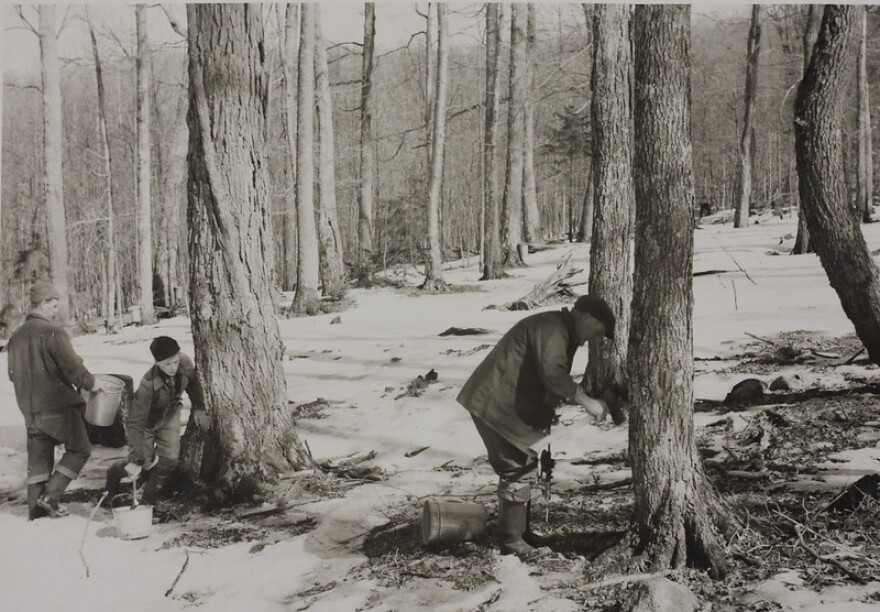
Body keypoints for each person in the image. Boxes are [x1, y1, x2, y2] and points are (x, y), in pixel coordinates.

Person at [457, 294, 624, 557]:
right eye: (598, 331)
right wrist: (586, 402)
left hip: (504, 405)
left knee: (523, 464)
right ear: (586, 317)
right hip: (495, 404)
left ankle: (519, 534)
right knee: (516, 468)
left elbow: (545, 380)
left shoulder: (560, 330)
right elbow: (553, 374)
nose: (596, 339)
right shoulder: (553, 329)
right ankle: (512, 542)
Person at [7, 281, 107, 519]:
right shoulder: (53, 332)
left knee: (39, 459)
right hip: (57, 405)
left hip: (29, 409)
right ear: (42, 304)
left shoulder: (16, 337)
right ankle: (50, 497)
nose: (55, 308)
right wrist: (92, 383)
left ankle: (35, 512)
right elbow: (72, 368)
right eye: (53, 303)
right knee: (80, 448)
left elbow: (12, 375)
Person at [106, 336, 208, 506]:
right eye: (167, 364)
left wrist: (198, 406)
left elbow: (193, 383)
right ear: (156, 362)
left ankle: (147, 503)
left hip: (170, 414)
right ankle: (114, 473)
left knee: (169, 459)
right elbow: (136, 423)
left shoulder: (184, 362)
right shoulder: (148, 384)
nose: (173, 367)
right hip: (147, 423)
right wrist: (137, 457)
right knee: (142, 465)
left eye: (175, 361)